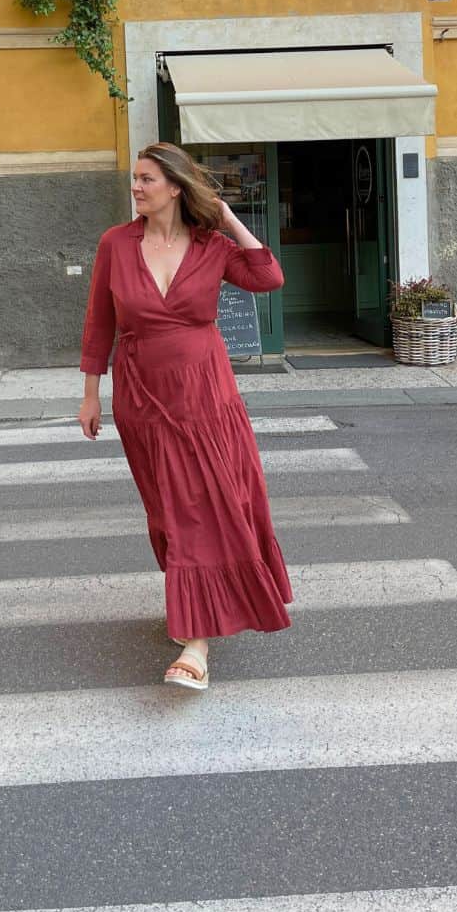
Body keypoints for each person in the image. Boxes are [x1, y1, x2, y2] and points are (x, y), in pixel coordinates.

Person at [78, 142, 292, 692]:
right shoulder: (116, 245)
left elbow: (268, 277)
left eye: (147, 179)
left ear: (175, 187)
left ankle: (196, 643)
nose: (137, 187)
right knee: (170, 511)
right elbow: (99, 322)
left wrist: (226, 216)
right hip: (143, 397)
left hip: (207, 396)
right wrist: (90, 393)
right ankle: (197, 599)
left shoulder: (212, 246)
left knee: (206, 505)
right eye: (135, 178)